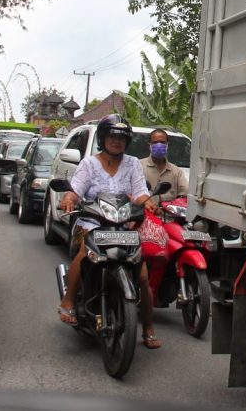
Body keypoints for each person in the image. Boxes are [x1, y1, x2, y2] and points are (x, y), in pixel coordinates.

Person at [57, 114, 161, 349]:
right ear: (103, 138)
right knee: (85, 253)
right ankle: (69, 300)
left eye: (122, 137)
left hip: (123, 225)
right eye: (112, 136)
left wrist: (146, 201)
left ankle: (148, 327)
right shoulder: (88, 164)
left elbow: (140, 190)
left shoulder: (133, 163)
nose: (117, 141)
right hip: (93, 223)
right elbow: (76, 190)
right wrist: (69, 198)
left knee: (143, 277)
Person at [140, 128, 189, 204]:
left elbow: (185, 194)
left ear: (167, 145)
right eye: (155, 142)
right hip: (145, 213)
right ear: (149, 145)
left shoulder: (176, 171)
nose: (159, 145)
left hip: (169, 214)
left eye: (162, 142)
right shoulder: (138, 166)